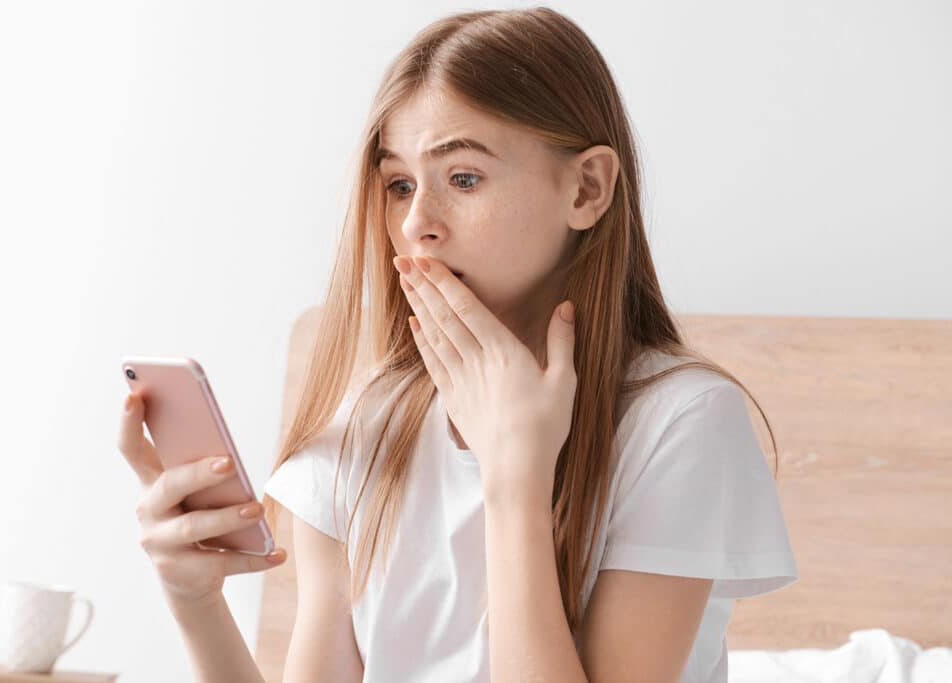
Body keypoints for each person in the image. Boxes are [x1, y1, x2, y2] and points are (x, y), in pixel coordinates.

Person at [119, 6, 798, 683]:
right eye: (400, 184)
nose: (417, 223)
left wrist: (515, 481)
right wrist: (196, 600)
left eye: (464, 178)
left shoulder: (681, 420)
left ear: (587, 188)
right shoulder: (367, 421)